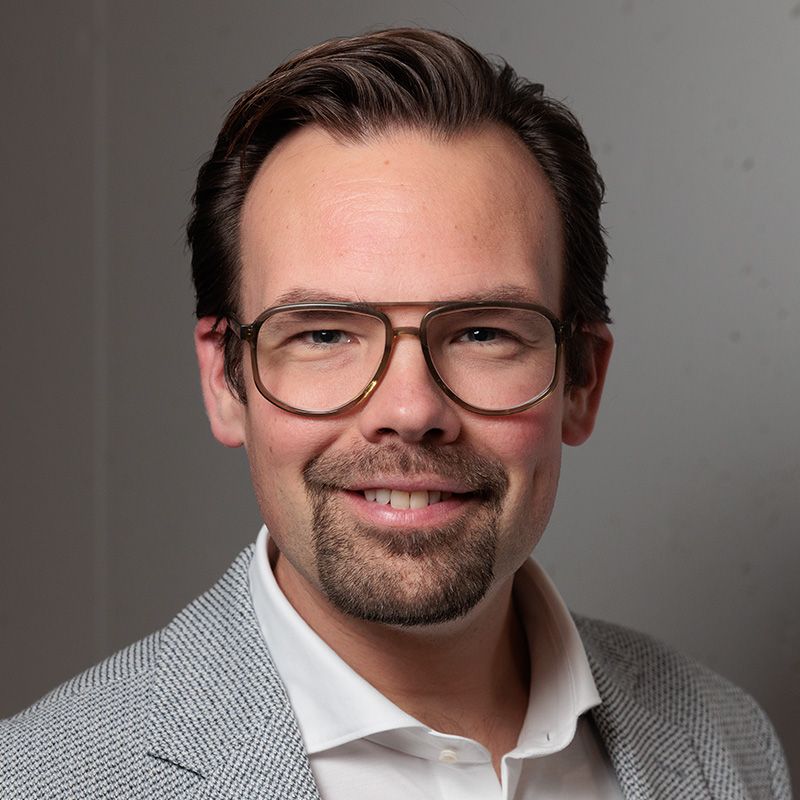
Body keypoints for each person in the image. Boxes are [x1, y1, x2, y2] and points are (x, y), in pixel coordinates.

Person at [1, 27, 790, 800]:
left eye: (482, 333)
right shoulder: (41, 781)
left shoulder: (726, 743)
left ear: (581, 379)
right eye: (323, 334)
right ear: (223, 380)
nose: (410, 410)